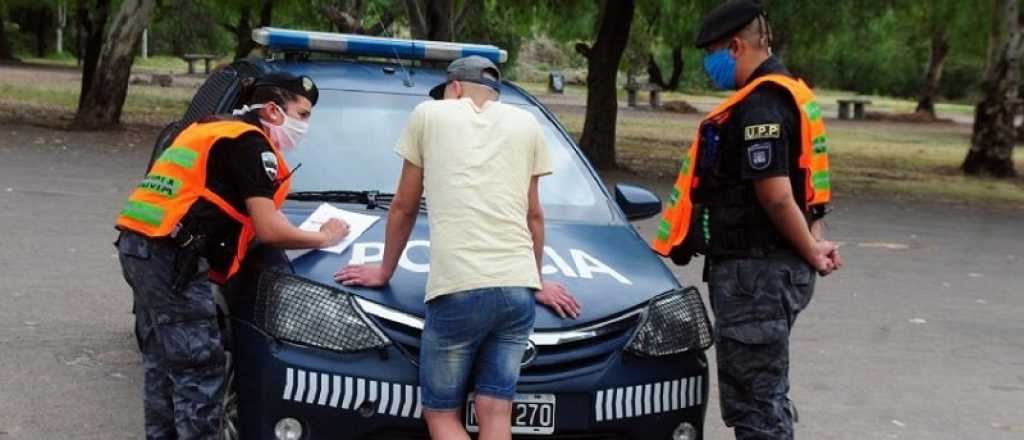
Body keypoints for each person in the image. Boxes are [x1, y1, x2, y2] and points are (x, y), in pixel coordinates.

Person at [334, 56, 581, 440]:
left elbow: (403, 204)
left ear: (456, 87)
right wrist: (536, 278)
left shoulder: (429, 114)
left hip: (458, 289)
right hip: (518, 292)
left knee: (441, 415)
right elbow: (534, 215)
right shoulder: (527, 123)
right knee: (496, 411)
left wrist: (384, 271)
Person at [114, 72, 349, 439]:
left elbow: (246, 208)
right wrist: (323, 237)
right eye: (302, 115)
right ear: (273, 110)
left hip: (140, 246)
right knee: (199, 368)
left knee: (163, 363)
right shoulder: (251, 144)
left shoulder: (212, 128)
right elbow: (270, 230)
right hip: (172, 258)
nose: (305, 126)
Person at [651, 1, 844, 439]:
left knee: (754, 406)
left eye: (713, 52)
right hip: (772, 272)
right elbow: (811, 188)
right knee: (766, 395)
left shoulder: (760, 107)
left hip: (756, 275)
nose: (709, 64)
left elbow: (777, 196)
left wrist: (811, 249)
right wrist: (813, 243)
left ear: (735, 47)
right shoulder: (794, 95)